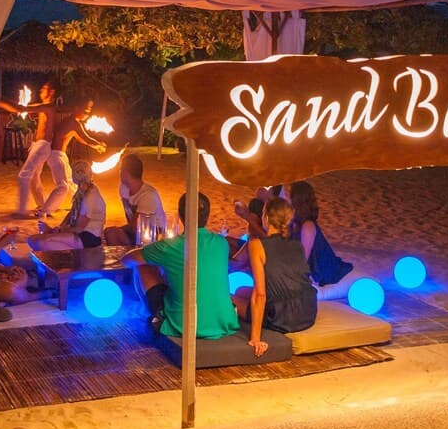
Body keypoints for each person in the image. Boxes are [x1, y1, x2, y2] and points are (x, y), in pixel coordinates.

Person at [121, 192, 239, 339]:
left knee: (143, 265)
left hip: (182, 324)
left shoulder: (170, 246)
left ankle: (153, 316)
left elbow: (127, 260)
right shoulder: (222, 243)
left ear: (181, 215)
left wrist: (150, 251)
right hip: (222, 322)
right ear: (208, 216)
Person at [232, 197, 317, 356]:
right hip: (308, 311)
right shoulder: (297, 245)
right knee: (241, 290)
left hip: (282, 316)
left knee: (230, 297)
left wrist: (255, 338)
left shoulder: (256, 245)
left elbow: (260, 294)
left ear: (266, 218)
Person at [0, 81, 59, 218]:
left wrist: (1, 101)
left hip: (43, 145)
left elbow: (20, 109)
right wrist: (2, 103)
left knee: (24, 175)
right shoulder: (44, 107)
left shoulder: (49, 107)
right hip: (39, 145)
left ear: (51, 92)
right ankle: (43, 207)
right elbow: (19, 109)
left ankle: (22, 211)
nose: (41, 90)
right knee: (34, 178)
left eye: (44, 88)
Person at [288, 180, 356, 300]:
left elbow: (302, 260)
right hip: (307, 265)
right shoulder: (295, 223)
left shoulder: (308, 226)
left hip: (323, 270)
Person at [40, 99, 107, 216]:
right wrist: (98, 145)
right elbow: (85, 138)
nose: (87, 114)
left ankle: (80, 205)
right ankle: (44, 211)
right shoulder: (73, 123)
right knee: (63, 186)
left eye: (89, 111)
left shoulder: (72, 122)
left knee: (71, 183)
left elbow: (81, 139)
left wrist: (97, 145)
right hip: (55, 155)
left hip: (60, 155)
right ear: (76, 108)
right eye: (85, 111)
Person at [27, 160, 105, 251]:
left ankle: (75, 251)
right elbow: (72, 213)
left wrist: (57, 231)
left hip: (87, 239)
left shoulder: (89, 196)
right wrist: (58, 228)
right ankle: (68, 249)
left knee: (37, 242)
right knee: (33, 240)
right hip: (80, 236)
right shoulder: (83, 190)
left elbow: (80, 228)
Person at [104, 153, 167, 246]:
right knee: (111, 234)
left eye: (121, 170)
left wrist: (118, 229)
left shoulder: (148, 195)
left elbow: (136, 226)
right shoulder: (124, 189)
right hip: (136, 232)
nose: (119, 173)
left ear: (126, 173)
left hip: (153, 234)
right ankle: (125, 253)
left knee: (111, 232)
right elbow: (131, 221)